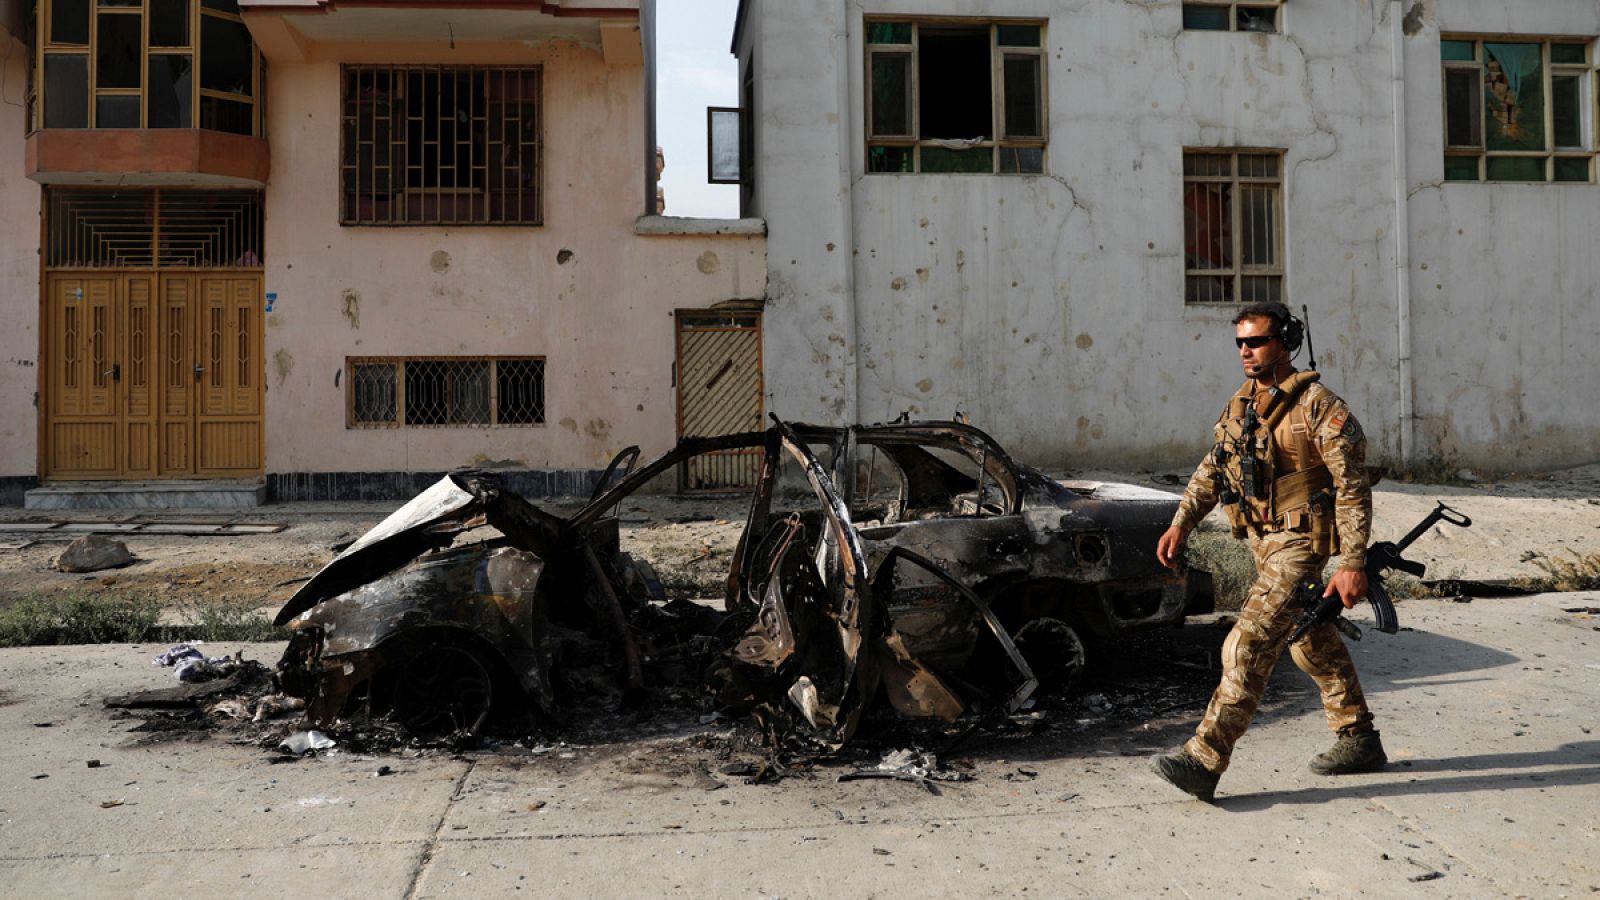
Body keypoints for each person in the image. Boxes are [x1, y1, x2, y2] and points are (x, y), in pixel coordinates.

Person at [1151, 302, 1385, 802]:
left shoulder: (1319, 406)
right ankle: (1359, 738)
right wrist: (1181, 522)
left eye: (1255, 341)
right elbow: (1213, 467)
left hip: (1300, 546)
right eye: (1240, 342)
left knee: (1247, 644)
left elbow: (1352, 486)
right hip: (1263, 544)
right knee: (1309, 641)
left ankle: (1203, 759)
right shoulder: (1243, 404)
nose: (1245, 351)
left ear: (1285, 344)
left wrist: (1353, 562)